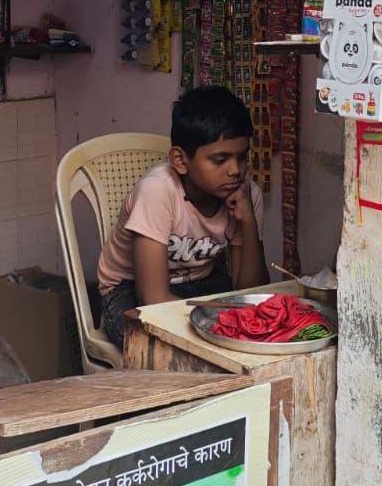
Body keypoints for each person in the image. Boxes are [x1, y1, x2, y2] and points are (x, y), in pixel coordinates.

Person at [96, 86, 269, 347]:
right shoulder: (157, 191)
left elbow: (251, 292)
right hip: (127, 289)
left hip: (201, 283)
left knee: (257, 325)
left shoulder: (245, 194)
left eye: (242, 157)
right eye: (220, 160)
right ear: (180, 160)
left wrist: (248, 223)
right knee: (160, 349)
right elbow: (152, 297)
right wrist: (213, 326)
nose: (235, 170)